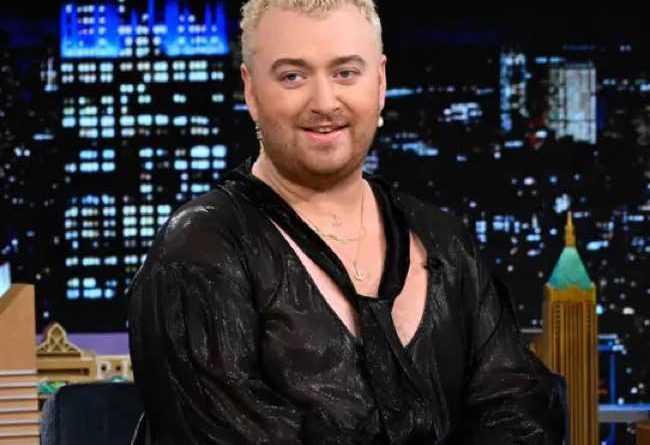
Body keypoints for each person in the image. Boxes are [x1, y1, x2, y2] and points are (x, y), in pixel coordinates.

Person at [127, 1, 567, 444]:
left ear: (380, 82)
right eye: (293, 76)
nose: (324, 103)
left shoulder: (446, 243)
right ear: (251, 91)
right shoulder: (198, 251)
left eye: (345, 73)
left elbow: (519, 411)